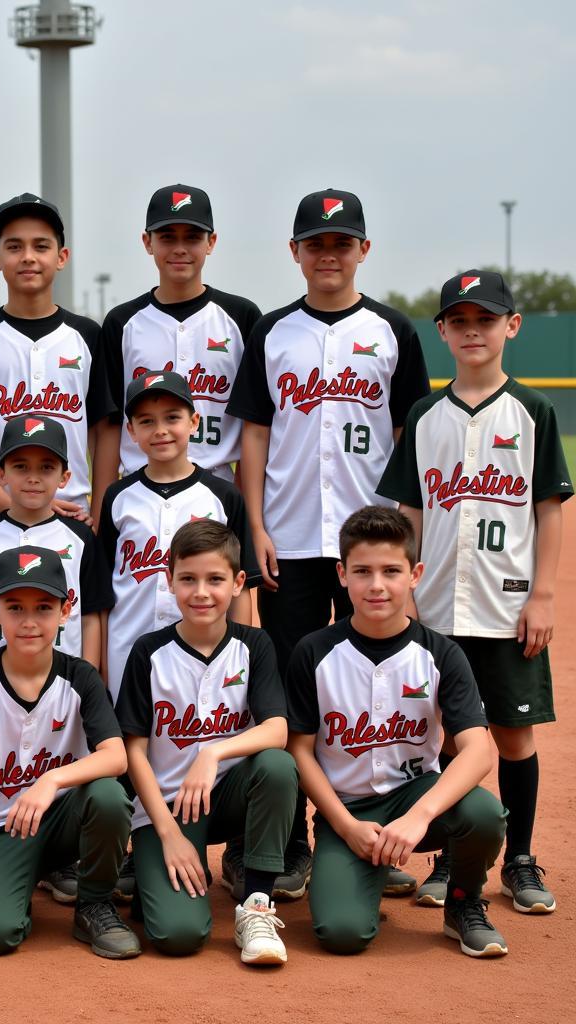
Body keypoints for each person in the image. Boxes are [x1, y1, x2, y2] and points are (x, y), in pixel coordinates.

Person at [226, 188, 430, 899]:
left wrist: (404, 534)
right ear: (296, 252)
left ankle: (373, 831)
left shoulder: (392, 331)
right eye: (316, 243)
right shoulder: (274, 332)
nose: (329, 254)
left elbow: (410, 437)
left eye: (342, 243)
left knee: (368, 692)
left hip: (368, 545)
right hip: (288, 538)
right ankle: (287, 844)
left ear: (363, 250)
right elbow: (253, 432)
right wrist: (253, 527)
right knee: (288, 692)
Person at [378, 270, 571, 913]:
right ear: (442, 332)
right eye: (459, 321)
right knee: (444, 738)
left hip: (505, 604)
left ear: (511, 327)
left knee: (513, 737)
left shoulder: (534, 411)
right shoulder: (424, 415)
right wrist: (404, 587)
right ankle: (451, 858)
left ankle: (519, 857)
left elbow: (548, 510)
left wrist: (542, 595)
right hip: (435, 607)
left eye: (485, 320)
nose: (472, 331)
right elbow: (410, 513)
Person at [286, 506, 508, 957]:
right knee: (342, 934)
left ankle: (463, 903)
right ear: (342, 574)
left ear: (415, 574)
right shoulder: (314, 652)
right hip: (348, 809)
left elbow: (478, 751)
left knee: (484, 815)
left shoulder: (441, 654)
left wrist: (420, 816)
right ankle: (362, 870)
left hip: (415, 797)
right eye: (363, 571)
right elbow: (299, 751)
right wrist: (345, 826)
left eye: (391, 571)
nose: (377, 585)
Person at [0, 546, 141, 959]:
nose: (29, 622)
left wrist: (51, 780)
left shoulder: (80, 676)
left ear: (66, 611)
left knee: (107, 795)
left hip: (66, 820)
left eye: (44, 607)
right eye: (15, 607)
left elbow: (117, 757)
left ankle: (94, 903)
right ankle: (15, 887)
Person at [115, 519, 297, 963]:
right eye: (188, 579)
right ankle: (150, 867)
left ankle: (256, 903)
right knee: (178, 936)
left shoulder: (255, 645)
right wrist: (167, 832)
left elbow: (277, 729)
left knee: (277, 765)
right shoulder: (148, 652)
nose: (201, 592)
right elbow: (133, 751)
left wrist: (213, 752)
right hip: (168, 807)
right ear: (168, 580)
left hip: (231, 795)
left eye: (215, 579)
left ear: (238, 583)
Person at [94, 183, 261, 522]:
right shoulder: (122, 322)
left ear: (211, 242)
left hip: (219, 488)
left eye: (193, 237)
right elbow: (111, 424)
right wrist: (101, 510)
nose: (180, 248)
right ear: (147, 242)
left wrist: (246, 513)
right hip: (139, 492)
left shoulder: (241, 317)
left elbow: (253, 426)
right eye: (168, 237)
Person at [99, 370, 258, 699]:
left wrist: (237, 649)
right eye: (146, 421)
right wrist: (101, 660)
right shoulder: (118, 497)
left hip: (206, 649)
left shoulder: (223, 496)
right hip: (125, 646)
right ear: (130, 430)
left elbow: (240, 589)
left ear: (194, 421)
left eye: (172, 417)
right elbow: (102, 590)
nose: (160, 431)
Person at [0, 193, 112, 526]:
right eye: (14, 247)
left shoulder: (87, 335)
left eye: (41, 246)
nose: (28, 257)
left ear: (62, 256)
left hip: (72, 511)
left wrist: (100, 511)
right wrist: (4, 504)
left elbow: (103, 430)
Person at [0, 414, 113, 666]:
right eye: (20, 466)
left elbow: (90, 617)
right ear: (1, 474)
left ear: (64, 477)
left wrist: (90, 678)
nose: (33, 477)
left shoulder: (81, 536)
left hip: (66, 678)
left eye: (46, 467)